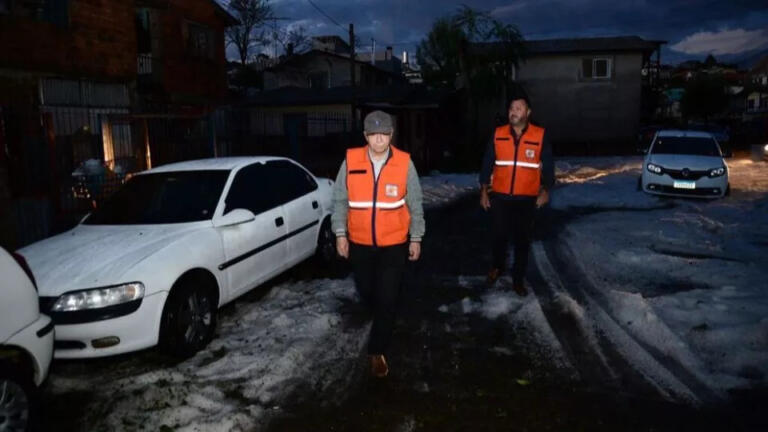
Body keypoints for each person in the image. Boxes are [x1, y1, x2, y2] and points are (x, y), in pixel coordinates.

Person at [331, 110, 425, 378]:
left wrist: (415, 237)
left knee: (387, 297)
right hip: (359, 243)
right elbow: (339, 200)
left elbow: (415, 203)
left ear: (391, 135)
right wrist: (340, 233)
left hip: (394, 244)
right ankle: (379, 311)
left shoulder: (405, 163)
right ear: (365, 136)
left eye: (384, 134)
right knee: (367, 291)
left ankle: (376, 351)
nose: (379, 140)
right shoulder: (350, 161)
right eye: (373, 135)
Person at [478, 91, 554, 296]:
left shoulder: (540, 135)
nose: (514, 111)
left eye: (519, 108)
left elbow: (548, 167)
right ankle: (497, 266)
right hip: (500, 197)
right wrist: (484, 191)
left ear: (528, 112)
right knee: (499, 236)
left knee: (522, 241)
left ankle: (518, 279)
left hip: (526, 199)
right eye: (511, 108)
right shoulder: (498, 134)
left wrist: (546, 189)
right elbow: (487, 163)